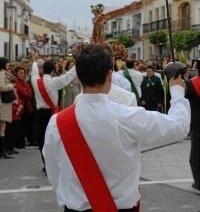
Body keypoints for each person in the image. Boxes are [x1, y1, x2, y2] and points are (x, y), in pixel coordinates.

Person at [43, 44, 190, 211]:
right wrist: (177, 90)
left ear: (78, 75)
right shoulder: (129, 117)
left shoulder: (57, 122)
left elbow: (54, 171)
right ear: (109, 75)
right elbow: (180, 126)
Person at [31, 52, 77, 172]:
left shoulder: (36, 81)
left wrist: (35, 61)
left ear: (43, 70)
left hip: (40, 113)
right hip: (52, 113)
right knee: (54, 139)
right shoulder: (54, 82)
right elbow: (68, 77)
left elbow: (34, 72)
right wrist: (77, 65)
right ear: (52, 71)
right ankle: (54, 164)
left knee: (41, 139)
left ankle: (45, 163)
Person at [185, 58, 200, 190]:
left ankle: (198, 182)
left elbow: (184, 101)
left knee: (196, 153)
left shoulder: (190, 83)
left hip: (196, 124)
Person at [0, 57, 15, 159]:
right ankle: (2, 151)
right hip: (2, 103)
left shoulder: (4, 73)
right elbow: (1, 86)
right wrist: (11, 86)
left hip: (3, 103)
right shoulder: (2, 74)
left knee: (2, 127)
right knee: (2, 128)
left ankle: (2, 150)